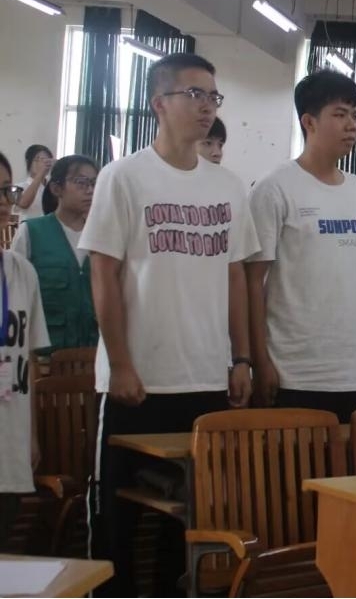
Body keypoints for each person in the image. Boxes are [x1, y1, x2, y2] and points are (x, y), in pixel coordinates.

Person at [81, 52, 258, 596]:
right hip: (140, 381)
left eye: (213, 96)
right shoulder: (124, 177)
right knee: (118, 519)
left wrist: (241, 358)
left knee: (186, 520)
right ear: (159, 103)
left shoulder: (228, 186)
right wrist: (122, 363)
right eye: (194, 94)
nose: (207, 107)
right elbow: (104, 274)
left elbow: (235, 277)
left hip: (205, 377)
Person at [247, 71, 356, 423]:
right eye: (340, 114)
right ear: (309, 122)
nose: (352, 125)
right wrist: (259, 362)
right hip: (293, 373)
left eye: (355, 115)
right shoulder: (275, 188)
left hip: (352, 375)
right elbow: (252, 283)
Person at [0, 152, 52, 546]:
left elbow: (30, 360)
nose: (4, 201)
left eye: (7, 190)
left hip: (9, 441)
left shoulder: (22, 272)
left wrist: (31, 435)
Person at [10, 155, 99, 351]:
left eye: (94, 183)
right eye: (81, 182)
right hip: (45, 353)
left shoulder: (101, 236)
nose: (90, 190)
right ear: (56, 189)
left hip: (92, 353)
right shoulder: (31, 232)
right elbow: (15, 295)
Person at [15, 144, 52, 222]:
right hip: (29, 227)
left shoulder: (53, 186)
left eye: (46, 160)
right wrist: (40, 174)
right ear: (28, 162)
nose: (42, 163)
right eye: (37, 159)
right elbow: (23, 203)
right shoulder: (19, 187)